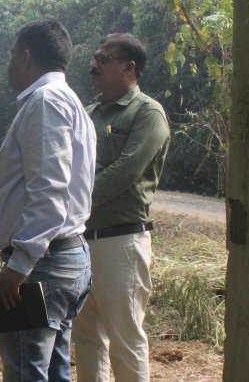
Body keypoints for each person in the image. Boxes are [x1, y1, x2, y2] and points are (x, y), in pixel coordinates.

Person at [0, 19, 96, 381]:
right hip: (64, 258)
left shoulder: (46, 103)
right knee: (52, 368)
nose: (9, 64)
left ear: (26, 57)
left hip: (44, 265)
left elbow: (50, 192)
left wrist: (19, 265)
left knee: (25, 370)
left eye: (12, 55)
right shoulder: (69, 102)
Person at [72, 33, 171, 382]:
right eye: (95, 56)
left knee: (125, 341)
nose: (93, 64)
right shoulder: (87, 113)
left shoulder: (148, 113)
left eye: (104, 58)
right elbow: (68, 165)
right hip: (81, 241)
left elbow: (126, 172)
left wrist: (73, 197)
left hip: (121, 244)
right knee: (86, 340)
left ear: (130, 67)